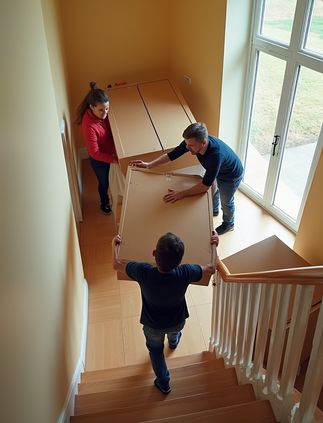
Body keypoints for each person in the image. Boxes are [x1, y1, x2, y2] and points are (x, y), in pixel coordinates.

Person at [111, 230, 219, 394]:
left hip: (153, 326)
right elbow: (211, 268)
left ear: (154, 254)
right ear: (180, 261)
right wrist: (214, 245)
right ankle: (174, 342)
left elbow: (116, 265)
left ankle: (164, 383)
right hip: (177, 321)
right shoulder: (185, 272)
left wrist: (114, 246)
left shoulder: (143, 271)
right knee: (175, 332)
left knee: (155, 352)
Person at [130, 122, 243, 235]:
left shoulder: (216, 155)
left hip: (231, 176)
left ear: (203, 143)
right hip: (219, 170)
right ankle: (214, 209)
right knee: (215, 189)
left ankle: (229, 224)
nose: (187, 147)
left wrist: (181, 194)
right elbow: (171, 156)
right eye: (186, 143)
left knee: (226, 201)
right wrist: (149, 164)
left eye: (191, 145)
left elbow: (205, 186)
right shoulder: (193, 143)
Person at [74, 82, 117, 215]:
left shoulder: (104, 114)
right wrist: (114, 159)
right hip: (100, 159)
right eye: (101, 110)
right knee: (104, 183)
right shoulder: (89, 126)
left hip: (111, 152)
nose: (105, 113)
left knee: (114, 179)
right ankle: (104, 202)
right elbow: (95, 153)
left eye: (107, 108)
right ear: (91, 107)